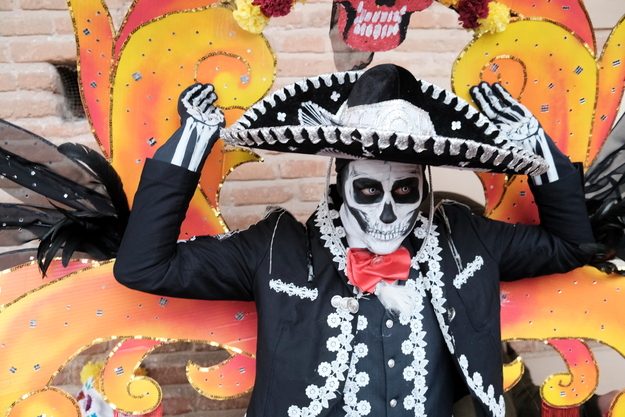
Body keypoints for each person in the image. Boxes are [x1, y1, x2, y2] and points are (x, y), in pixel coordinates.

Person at [114, 64, 593, 417]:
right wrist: (194, 140)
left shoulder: (462, 240)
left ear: (424, 187)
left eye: (404, 191)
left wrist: (536, 144)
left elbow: (571, 245)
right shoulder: (277, 251)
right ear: (338, 184)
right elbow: (144, 266)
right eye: (368, 190)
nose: (387, 213)